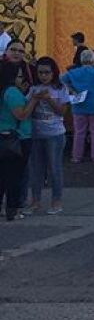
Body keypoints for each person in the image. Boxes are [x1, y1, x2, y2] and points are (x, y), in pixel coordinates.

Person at [28, 57, 70, 215]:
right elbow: (27, 108)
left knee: (55, 168)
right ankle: (35, 201)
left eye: (47, 73)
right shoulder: (33, 88)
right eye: (40, 73)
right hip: (36, 133)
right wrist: (34, 99)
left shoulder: (60, 88)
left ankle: (56, 200)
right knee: (36, 169)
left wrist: (49, 99)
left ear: (53, 73)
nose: (43, 76)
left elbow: (62, 111)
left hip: (55, 133)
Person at [0, 61, 39, 220]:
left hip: (3, 134)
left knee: (2, 175)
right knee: (15, 176)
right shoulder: (11, 92)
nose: (21, 79)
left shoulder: (4, 91)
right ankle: (12, 209)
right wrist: (34, 100)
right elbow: (21, 114)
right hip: (18, 137)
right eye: (19, 76)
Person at [60, 49, 94, 163]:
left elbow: (61, 80)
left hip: (79, 105)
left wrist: (72, 90)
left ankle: (76, 156)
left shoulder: (73, 72)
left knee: (79, 132)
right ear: (93, 60)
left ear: (81, 60)